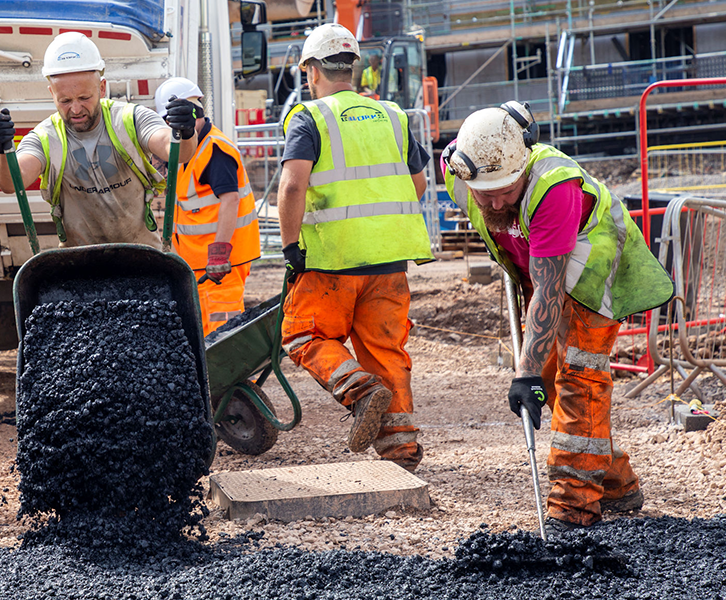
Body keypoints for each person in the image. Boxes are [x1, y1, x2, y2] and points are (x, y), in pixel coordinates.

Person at [443, 101, 673, 536]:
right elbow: (538, 284)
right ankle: (618, 485)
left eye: (506, 190)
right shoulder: (462, 167)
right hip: (541, 271)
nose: (495, 201)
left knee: (579, 378)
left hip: (589, 267)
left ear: (523, 167)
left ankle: (573, 508)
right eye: (484, 192)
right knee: (547, 380)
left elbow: (551, 289)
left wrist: (524, 373)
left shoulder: (554, 189)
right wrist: (534, 376)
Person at [278, 24, 434, 467]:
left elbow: (292, 187)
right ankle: (401, 449)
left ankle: (360, 390)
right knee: (386, 349)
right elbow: (417, 184)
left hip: (333, 260)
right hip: (390, 261)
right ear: (353, 68)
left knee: (303, 334)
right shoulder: (392, 116)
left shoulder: (310, 117)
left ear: (311, 71)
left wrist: (292, 247)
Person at [0, 32, 198, 248]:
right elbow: (12, 182)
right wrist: (1, 150)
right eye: (65, 101)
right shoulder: (45, 137)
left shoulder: (130, 119)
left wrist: (185, 130)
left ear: (102, 88)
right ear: (52, 93)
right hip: (78, 265)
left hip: (140, 256)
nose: (75, 109)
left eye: (84, 98)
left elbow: (178, 152)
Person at [153, 77, 260, 336]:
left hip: (221, 265)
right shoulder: (189, 149)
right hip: (199, 265)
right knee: (207, 337)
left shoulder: (214, 149)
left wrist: (219, 254)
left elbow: (230, 199)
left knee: (224, 335)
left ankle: (236, 378)